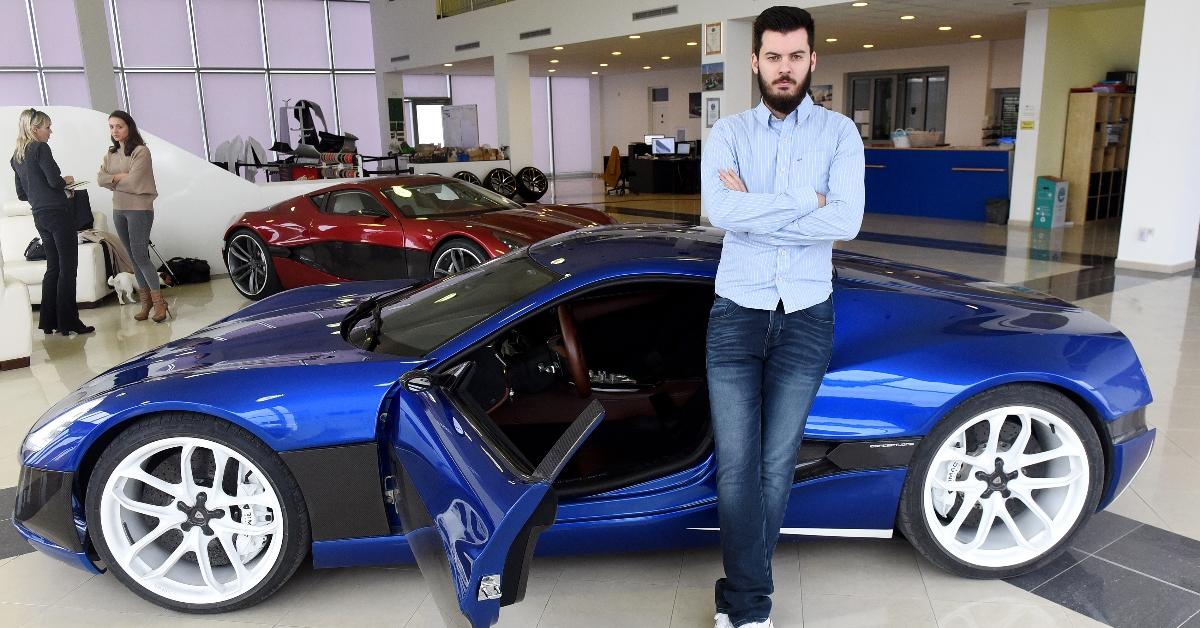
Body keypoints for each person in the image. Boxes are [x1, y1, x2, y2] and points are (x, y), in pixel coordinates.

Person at [701, 6, 865, 628]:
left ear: (813, 60)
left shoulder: (839, 134)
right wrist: (808, 201)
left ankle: (744, 605)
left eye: (796, 56)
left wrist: (759, 207)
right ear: (755, 61)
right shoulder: (731, 133)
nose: (784, 68)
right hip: (736, 313)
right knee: (738, 468)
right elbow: (722, 210)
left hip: (805, 315)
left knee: (776, 464)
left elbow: (845, 221)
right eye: (773, 57)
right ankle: (750, 604)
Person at [10, 108, 94, 336]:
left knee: (53, 267)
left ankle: (49, 322)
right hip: (58, 214)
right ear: (34, 129)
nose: (50, 131)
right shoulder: (40, 148)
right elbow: (55, 182)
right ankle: (69, 322)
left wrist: (41, 193)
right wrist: (65, 181)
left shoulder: (16, 156)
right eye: (47, 127)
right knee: (68, 268)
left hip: (40, 216)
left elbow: (21, 194)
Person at [98, 110, 167, 322]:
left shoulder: (141, 151)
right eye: (111, 127)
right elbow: (100, 178)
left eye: (119, 126)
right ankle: (145, 303)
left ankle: (159, 303)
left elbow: (136, 182)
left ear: (129, 127)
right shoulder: (110, 153)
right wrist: (119, 177)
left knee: (140, 256)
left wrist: (114, 180)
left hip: (140, 209)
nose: (115, 131)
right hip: (119, 209)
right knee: (132, 258)